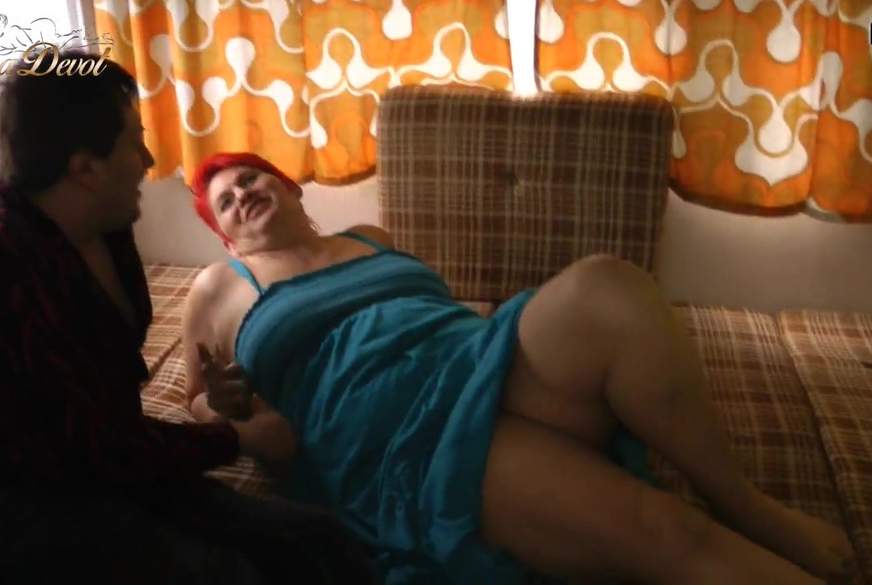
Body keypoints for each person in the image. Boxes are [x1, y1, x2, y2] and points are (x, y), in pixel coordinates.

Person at [185, 152, 857, 584]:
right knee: (661, 527)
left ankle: (743, 501)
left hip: (478, 360)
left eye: (250, 179)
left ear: (289, 186)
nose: (242, 194)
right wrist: (233, 412)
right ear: (226, 238)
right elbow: (194, 399)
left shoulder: (369, 237)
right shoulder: (218, 287)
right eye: (225, 202)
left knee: (606, 284)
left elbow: (423, 311)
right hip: (404, 436)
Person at [0, 52, 373, 583]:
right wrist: (239, 437)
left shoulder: (108, 224)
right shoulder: (16, 273)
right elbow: (95, 446)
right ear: (85, 170)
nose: (149, 159)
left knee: (321, 541)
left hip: (119, 468)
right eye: (134, 142)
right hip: (41, 503)